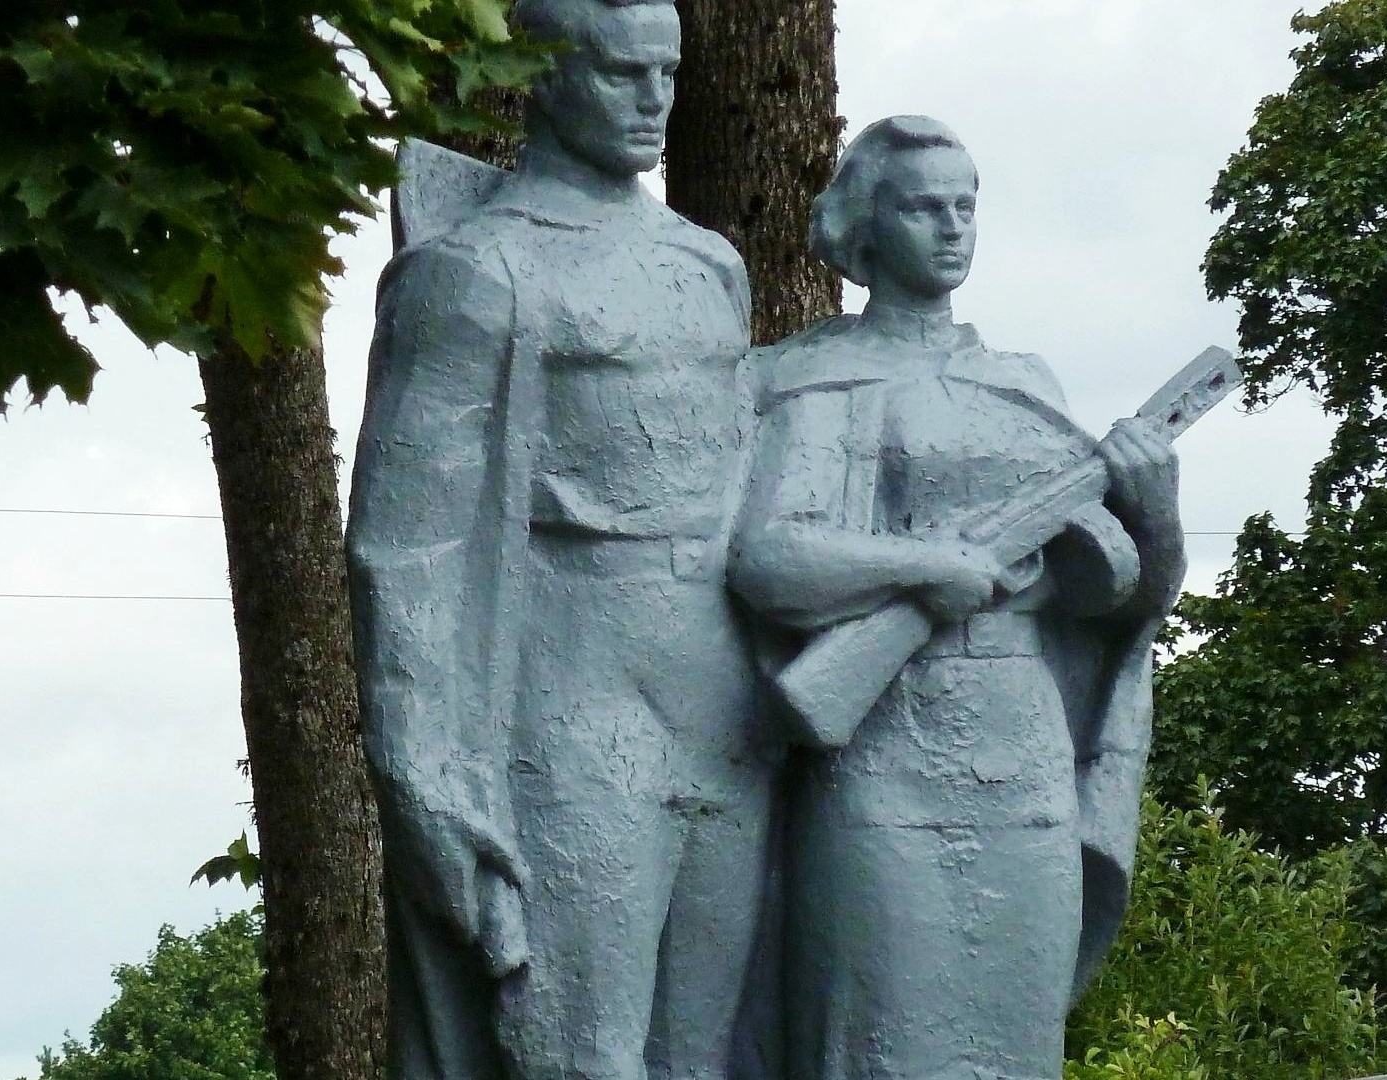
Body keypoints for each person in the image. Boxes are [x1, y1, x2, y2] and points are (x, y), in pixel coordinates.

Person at [346, 1, 773, 1077]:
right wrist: (425, 769)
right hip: (569, 703)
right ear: (542, 75)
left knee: (712, 1054)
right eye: (623, 73)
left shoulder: (710, 267)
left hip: (724, 706)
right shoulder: (477, 273)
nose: (653, 101)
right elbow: (406, 552)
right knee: (577, 1055)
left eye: (667, 74)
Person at [727, 116, 1187, 1080]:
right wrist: (926, 570)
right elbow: (771, 559)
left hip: (1022, 752)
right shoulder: (813, 377)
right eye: (923, 206)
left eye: (966, 206)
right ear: (865, 223)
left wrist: (1158, 516)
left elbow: (1118, 602)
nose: (951, 227)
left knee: (1016, 1041)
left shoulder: (1025, 385)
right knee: (880, 1036)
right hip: (886, 748)